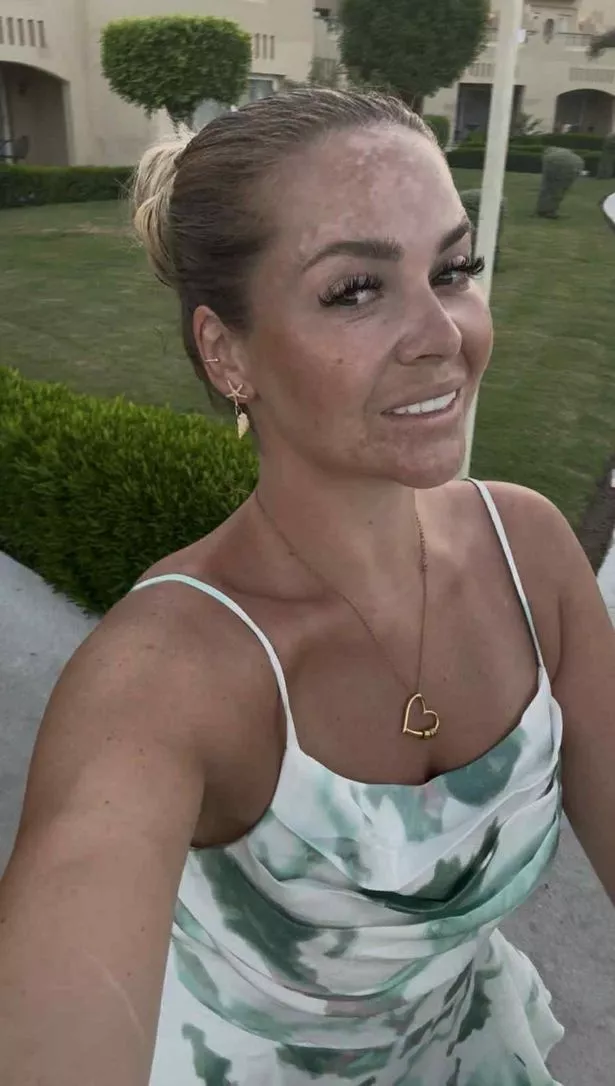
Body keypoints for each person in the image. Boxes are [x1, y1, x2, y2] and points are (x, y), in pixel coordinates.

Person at [0, 88, 613, 1086]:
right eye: (356, 290)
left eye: (452, 270)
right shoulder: (160, 680)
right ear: (226, 352)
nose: (443, 334)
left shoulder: (529, 553)